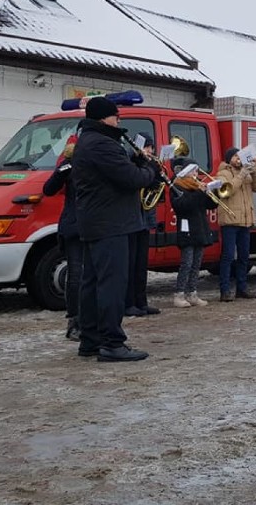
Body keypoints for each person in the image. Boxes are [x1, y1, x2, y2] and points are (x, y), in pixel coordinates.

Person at [73, 96, 158, 362]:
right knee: (111, 284)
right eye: (116, 116)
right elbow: (131, 179)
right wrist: (149, 169)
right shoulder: (102, 144)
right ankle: (112, 342)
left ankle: (90, 340)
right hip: (110, 223)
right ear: (103, 118)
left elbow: (114, 174)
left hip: (98, 221)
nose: (119, 119)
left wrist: (133, 159)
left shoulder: (91, 141)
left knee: (93, 283)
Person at [42, 133, 82, 341]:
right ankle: (74, 321)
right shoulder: (69, 165)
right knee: (76, 275)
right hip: (74, 226)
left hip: (94, 225)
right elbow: (49, 189)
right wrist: (65, 167)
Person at [215, 146, 256, 301]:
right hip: (230, 221)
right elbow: (227, 190)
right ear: (230, 159)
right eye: (236, 157)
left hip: (245, 221)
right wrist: (242, 174)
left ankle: (241, 288)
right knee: (228, 256)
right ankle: (224, 291)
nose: (239, 159)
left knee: (244, 256)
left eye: (240, 157)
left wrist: (255, 171)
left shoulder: (247, 174)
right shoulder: (222, 173)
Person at [169, 156, 217, 308]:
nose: (196, 174)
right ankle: (179, 294)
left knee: (196, 264)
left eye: (197, 170)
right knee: (186, 263)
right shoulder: (177, 186)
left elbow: (211, 205)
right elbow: (182, 205)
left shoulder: (198, 187)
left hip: (200, 228)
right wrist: (199, 192)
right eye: (193, 171)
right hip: (187, 229)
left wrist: (211, 192)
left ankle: (192, 292)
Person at [124, 134, 161, 317]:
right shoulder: (131, 163)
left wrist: (158, 178)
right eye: (147, 148)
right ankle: (128, 302)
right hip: (131, 219)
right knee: (130, 263)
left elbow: (156, 191)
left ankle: (141, 301)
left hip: (145, 218)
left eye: (152, 148)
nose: (150, 152)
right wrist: (148, 170)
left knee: (141, 264)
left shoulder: (148, 165)